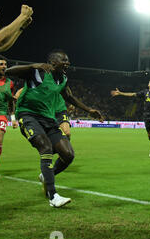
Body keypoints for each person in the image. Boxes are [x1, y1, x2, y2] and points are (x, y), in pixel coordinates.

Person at [6, 49, 104, 207]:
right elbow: (8, 71)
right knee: (45, 147)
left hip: (48, 119)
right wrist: (33, 65)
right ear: (52, 62)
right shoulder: (38, 72)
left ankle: (45, 175)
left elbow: (69, 96)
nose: (67, 63)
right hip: (28, 115)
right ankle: (53, 196)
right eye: (64, 60)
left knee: (68, 154)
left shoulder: (63, 78)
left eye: (68, 60)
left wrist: (89, 110)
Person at [0, 55, 18, 173]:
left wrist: (13, 118)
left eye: (5, 64)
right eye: (1, 64)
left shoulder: (10, 83)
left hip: (1, 114)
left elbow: (10, 102)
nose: (4, 66)